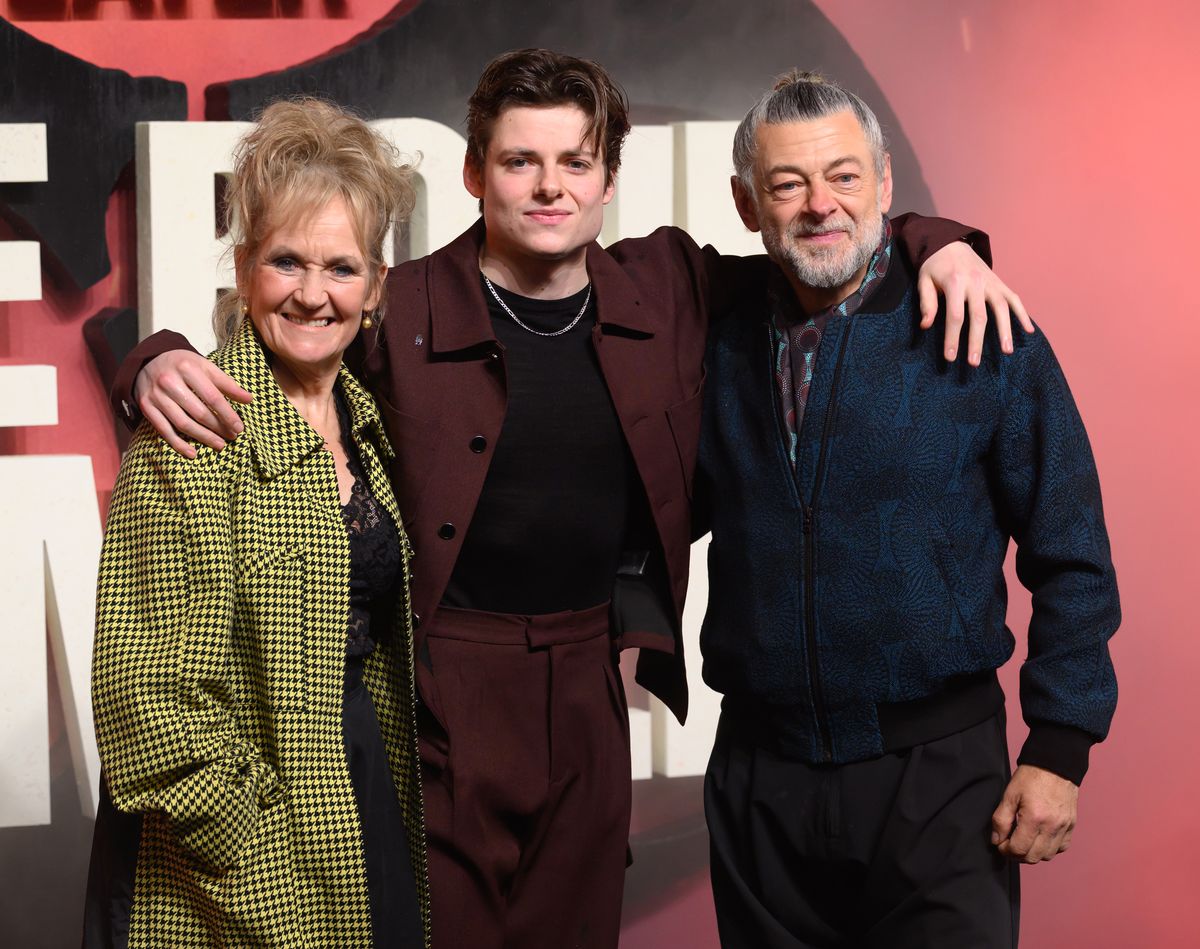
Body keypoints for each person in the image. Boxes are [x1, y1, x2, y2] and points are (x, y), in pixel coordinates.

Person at [108, 51, 1027, 949]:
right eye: (519, 161)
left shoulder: (668, 287)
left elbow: (821, 248)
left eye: (574, 163)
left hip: (591, 684)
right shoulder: (404, 306)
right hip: (439, 694)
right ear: (474, 173)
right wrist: (150, 357)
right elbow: (288, 328)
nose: (548, 188)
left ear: (607, 179)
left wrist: (938, 243)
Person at [698, 70, 1120, 948]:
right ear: (747, 204)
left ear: (885, 186)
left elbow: (1071, 551)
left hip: (938, 778)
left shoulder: (982, 329)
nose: (821, 205)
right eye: (789, 184)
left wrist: (1058, 749)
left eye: (845, 176)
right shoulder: (713, 337)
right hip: (760, 779)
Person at [85, 99, 427, 949]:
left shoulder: (370, 420)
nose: (314, 294)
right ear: (243, 268)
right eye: (286, 261)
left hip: (366, 797)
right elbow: (150, 709)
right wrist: (264, 867)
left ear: (376, 286)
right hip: (240, 861)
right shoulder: (191, 442)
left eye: (342, 268)